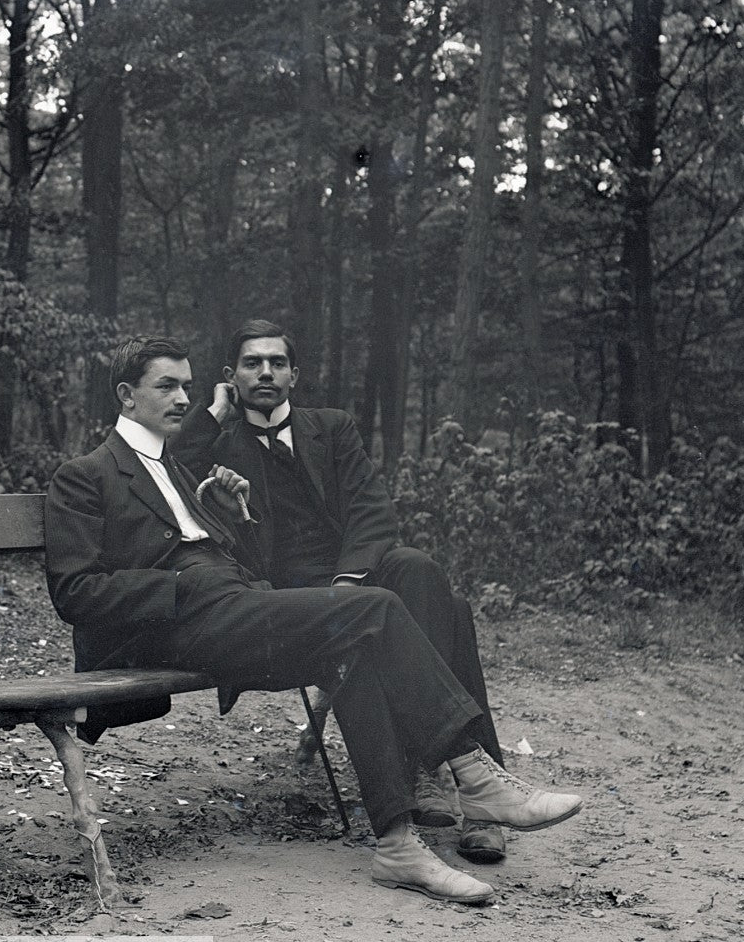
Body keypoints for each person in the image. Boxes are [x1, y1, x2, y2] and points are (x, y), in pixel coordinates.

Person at [44, 334, 582, 906]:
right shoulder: (86, 474)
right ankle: (473, 774)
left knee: (356, 644)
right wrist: (180, 586)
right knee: (372, 608)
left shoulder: (174, 467)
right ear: (127, 396)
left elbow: (239, 563)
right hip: (172, 627)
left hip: (231, 607)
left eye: (187, 386)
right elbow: (75, 592)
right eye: (167, 386)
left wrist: (235, 518)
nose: (182, 398)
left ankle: (398, 845)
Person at [175, 319, 515, 864]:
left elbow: (371, 512)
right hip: (285, 599)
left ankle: (446, 781)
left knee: (419, 571)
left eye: (277, 363)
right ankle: (459, 779)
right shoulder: (218, 442)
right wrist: (212, 414)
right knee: (453, 612)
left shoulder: (331, 428)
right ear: (230, 376)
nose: (265, 372)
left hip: (348, 578)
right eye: (251, 363)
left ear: (295, 374)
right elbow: (167, 473)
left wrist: (349, 582)